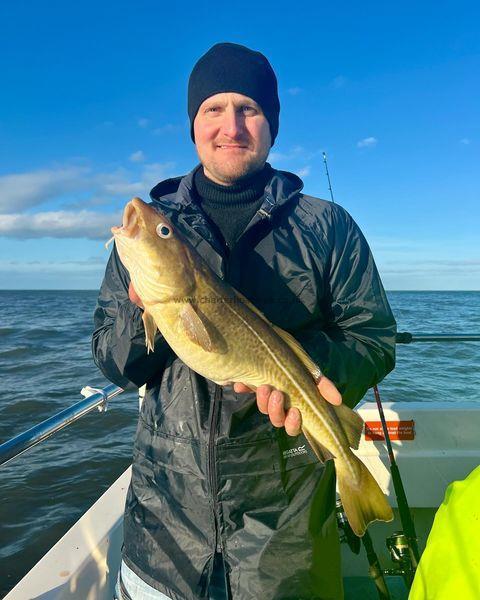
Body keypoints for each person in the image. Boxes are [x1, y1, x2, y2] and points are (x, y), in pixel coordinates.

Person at [92, 42, 396, 600]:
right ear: (193, 125)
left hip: (285, 546)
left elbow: (372, 338)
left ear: (271, 126)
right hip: (164, 532)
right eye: (213, 108)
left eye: (248, 108)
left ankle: (357, 483)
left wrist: (308, 376)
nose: (230, 126)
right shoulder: (145, 244)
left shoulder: (327, 227)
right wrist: (145, 318)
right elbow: (113, 362)